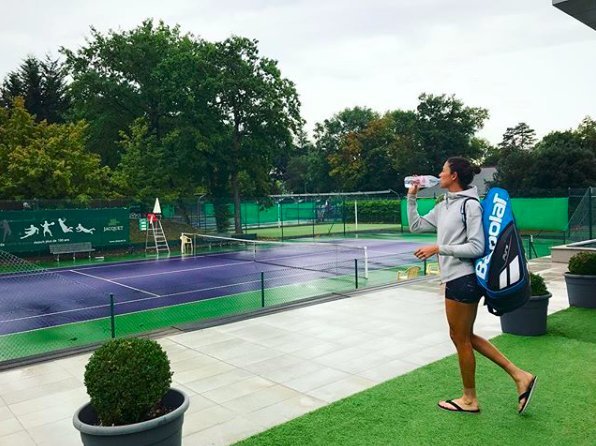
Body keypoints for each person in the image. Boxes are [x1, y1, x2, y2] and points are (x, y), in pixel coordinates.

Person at [407, 157, 537, 414]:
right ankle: (520, 376)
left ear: (454, 175)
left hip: (464, 280)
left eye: (443, 170)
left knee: (460, 338)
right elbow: (416, 226)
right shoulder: (444, 205)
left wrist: (439, 248)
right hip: (454, 279)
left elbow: (477, 247)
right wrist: (412, 198)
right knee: (463, 336)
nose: (438, 174)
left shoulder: (470, 205)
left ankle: (470, 399)